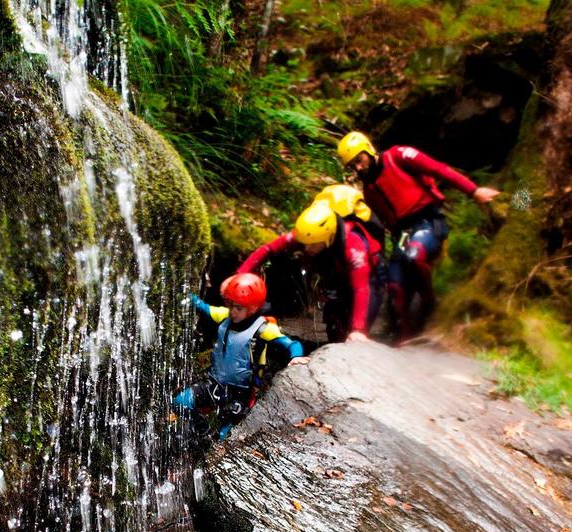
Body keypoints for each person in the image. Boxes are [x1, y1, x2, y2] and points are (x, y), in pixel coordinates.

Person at [336, 131, 500, 339]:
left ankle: (430, 305)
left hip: (428, 221)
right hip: (403, 234)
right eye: (352, 166)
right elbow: (382, 227)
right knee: (394, 286)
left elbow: (438, 169)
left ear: (368, 150)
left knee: (413, 256)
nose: (358, 168)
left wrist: (473, 191)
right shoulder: (369, 190)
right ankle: (405, 339)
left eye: (359, 160)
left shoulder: (399, 156)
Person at [174, 273, 306, 440]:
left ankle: (216, 438)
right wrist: (181, 290)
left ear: (252, 308)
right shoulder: (224, 316)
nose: (233, 312)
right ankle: (203, 432)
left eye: (239, 308)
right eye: (231, 306)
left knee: (225, 436)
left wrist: (296, 357)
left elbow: (292, 344)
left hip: (241, 392)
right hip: (215, 384)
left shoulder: (263, 328)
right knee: (181, 402)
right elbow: (202, 306)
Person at [237, 198, 384, 343]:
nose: (306, 248)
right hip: (337, 272)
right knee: (334, 322)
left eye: (312, 245)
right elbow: (268, 249)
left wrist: (358, 329)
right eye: (304, 244)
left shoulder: (353, 247)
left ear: (328, 238)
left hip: (370, 279)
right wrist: (239, 276)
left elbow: (361, 289)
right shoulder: (307, 236)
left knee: (355, 329)